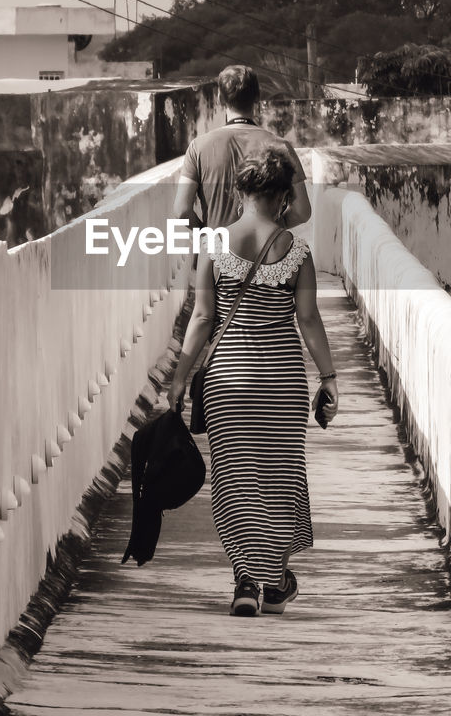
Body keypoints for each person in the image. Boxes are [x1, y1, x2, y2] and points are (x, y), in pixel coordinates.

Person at [168, 145, 339, 617]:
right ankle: (278, 580)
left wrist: (181, 378)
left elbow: (202, 318)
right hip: (282, 384)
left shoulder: (215, 245)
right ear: (284, 197)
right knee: (281, 479)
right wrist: (329, 378)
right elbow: (307, 319)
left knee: (235, 481)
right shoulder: (297, 251)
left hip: (228, 383)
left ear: (240, 191)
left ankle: (246, 579)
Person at [173, 64, 311, 231]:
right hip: (264, 254)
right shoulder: (281, 146)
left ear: (219, 98)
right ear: (257, 98)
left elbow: (181, 210)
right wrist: (273, 227)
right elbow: (302, 211)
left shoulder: (198, 147)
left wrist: (206, 236)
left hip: (216, 253)